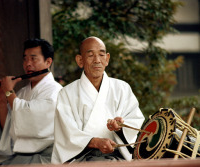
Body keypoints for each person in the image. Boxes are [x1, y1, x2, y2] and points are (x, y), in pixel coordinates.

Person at [51, 36, 145, 164]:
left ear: (107, 59)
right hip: (81, 159)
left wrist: (120, 127)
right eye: (90, 55)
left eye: (101, 55)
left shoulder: (122, 88)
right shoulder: (66, 93)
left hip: (118, 156)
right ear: (80, 60)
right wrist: (95, 142)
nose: (97, 60)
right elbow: (67, 134)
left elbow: (135, 122)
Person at [0, 38, 63, 165]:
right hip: (24, 157)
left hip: (45, 158)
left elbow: (31, 119)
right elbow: (10, 127)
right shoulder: (22, 93)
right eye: (25, 59)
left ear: (48, 62)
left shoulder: (55, 91)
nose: (28, 64)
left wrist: (9, 91)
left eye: (33, 58)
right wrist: (2, 101)